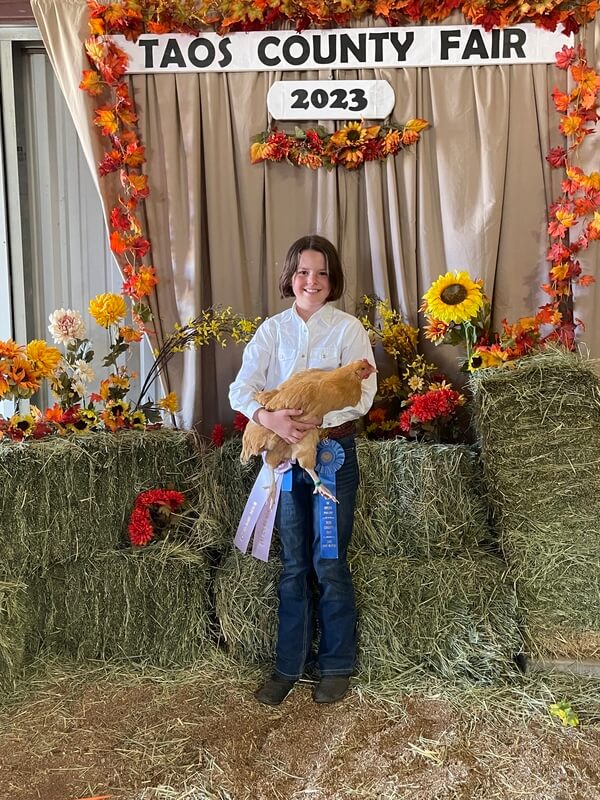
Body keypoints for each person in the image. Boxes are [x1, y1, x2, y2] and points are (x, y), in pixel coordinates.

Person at [229, 234, 377, 706]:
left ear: (333, 281)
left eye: (321, 273)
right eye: (303, 272)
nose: (311, 281)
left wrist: (317, 421)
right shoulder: (272, 331)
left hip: (332, 457)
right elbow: (242, 388)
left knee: (329, 561)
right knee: (293, 565)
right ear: (290, 277)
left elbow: (364, 394)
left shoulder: (349, 329)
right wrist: (268, 417)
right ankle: (286, 665)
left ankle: (336, 664)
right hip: (285, 461)